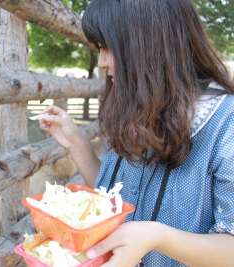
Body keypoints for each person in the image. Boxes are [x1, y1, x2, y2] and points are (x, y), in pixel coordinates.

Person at [39, 0, 234, 266]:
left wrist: (157, 238)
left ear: (150, 44)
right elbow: (114, 197)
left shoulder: (226, 124)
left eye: (108, 47)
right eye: (99, 48)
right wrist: (76, 144)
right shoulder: (132, 105)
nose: (102, 62)